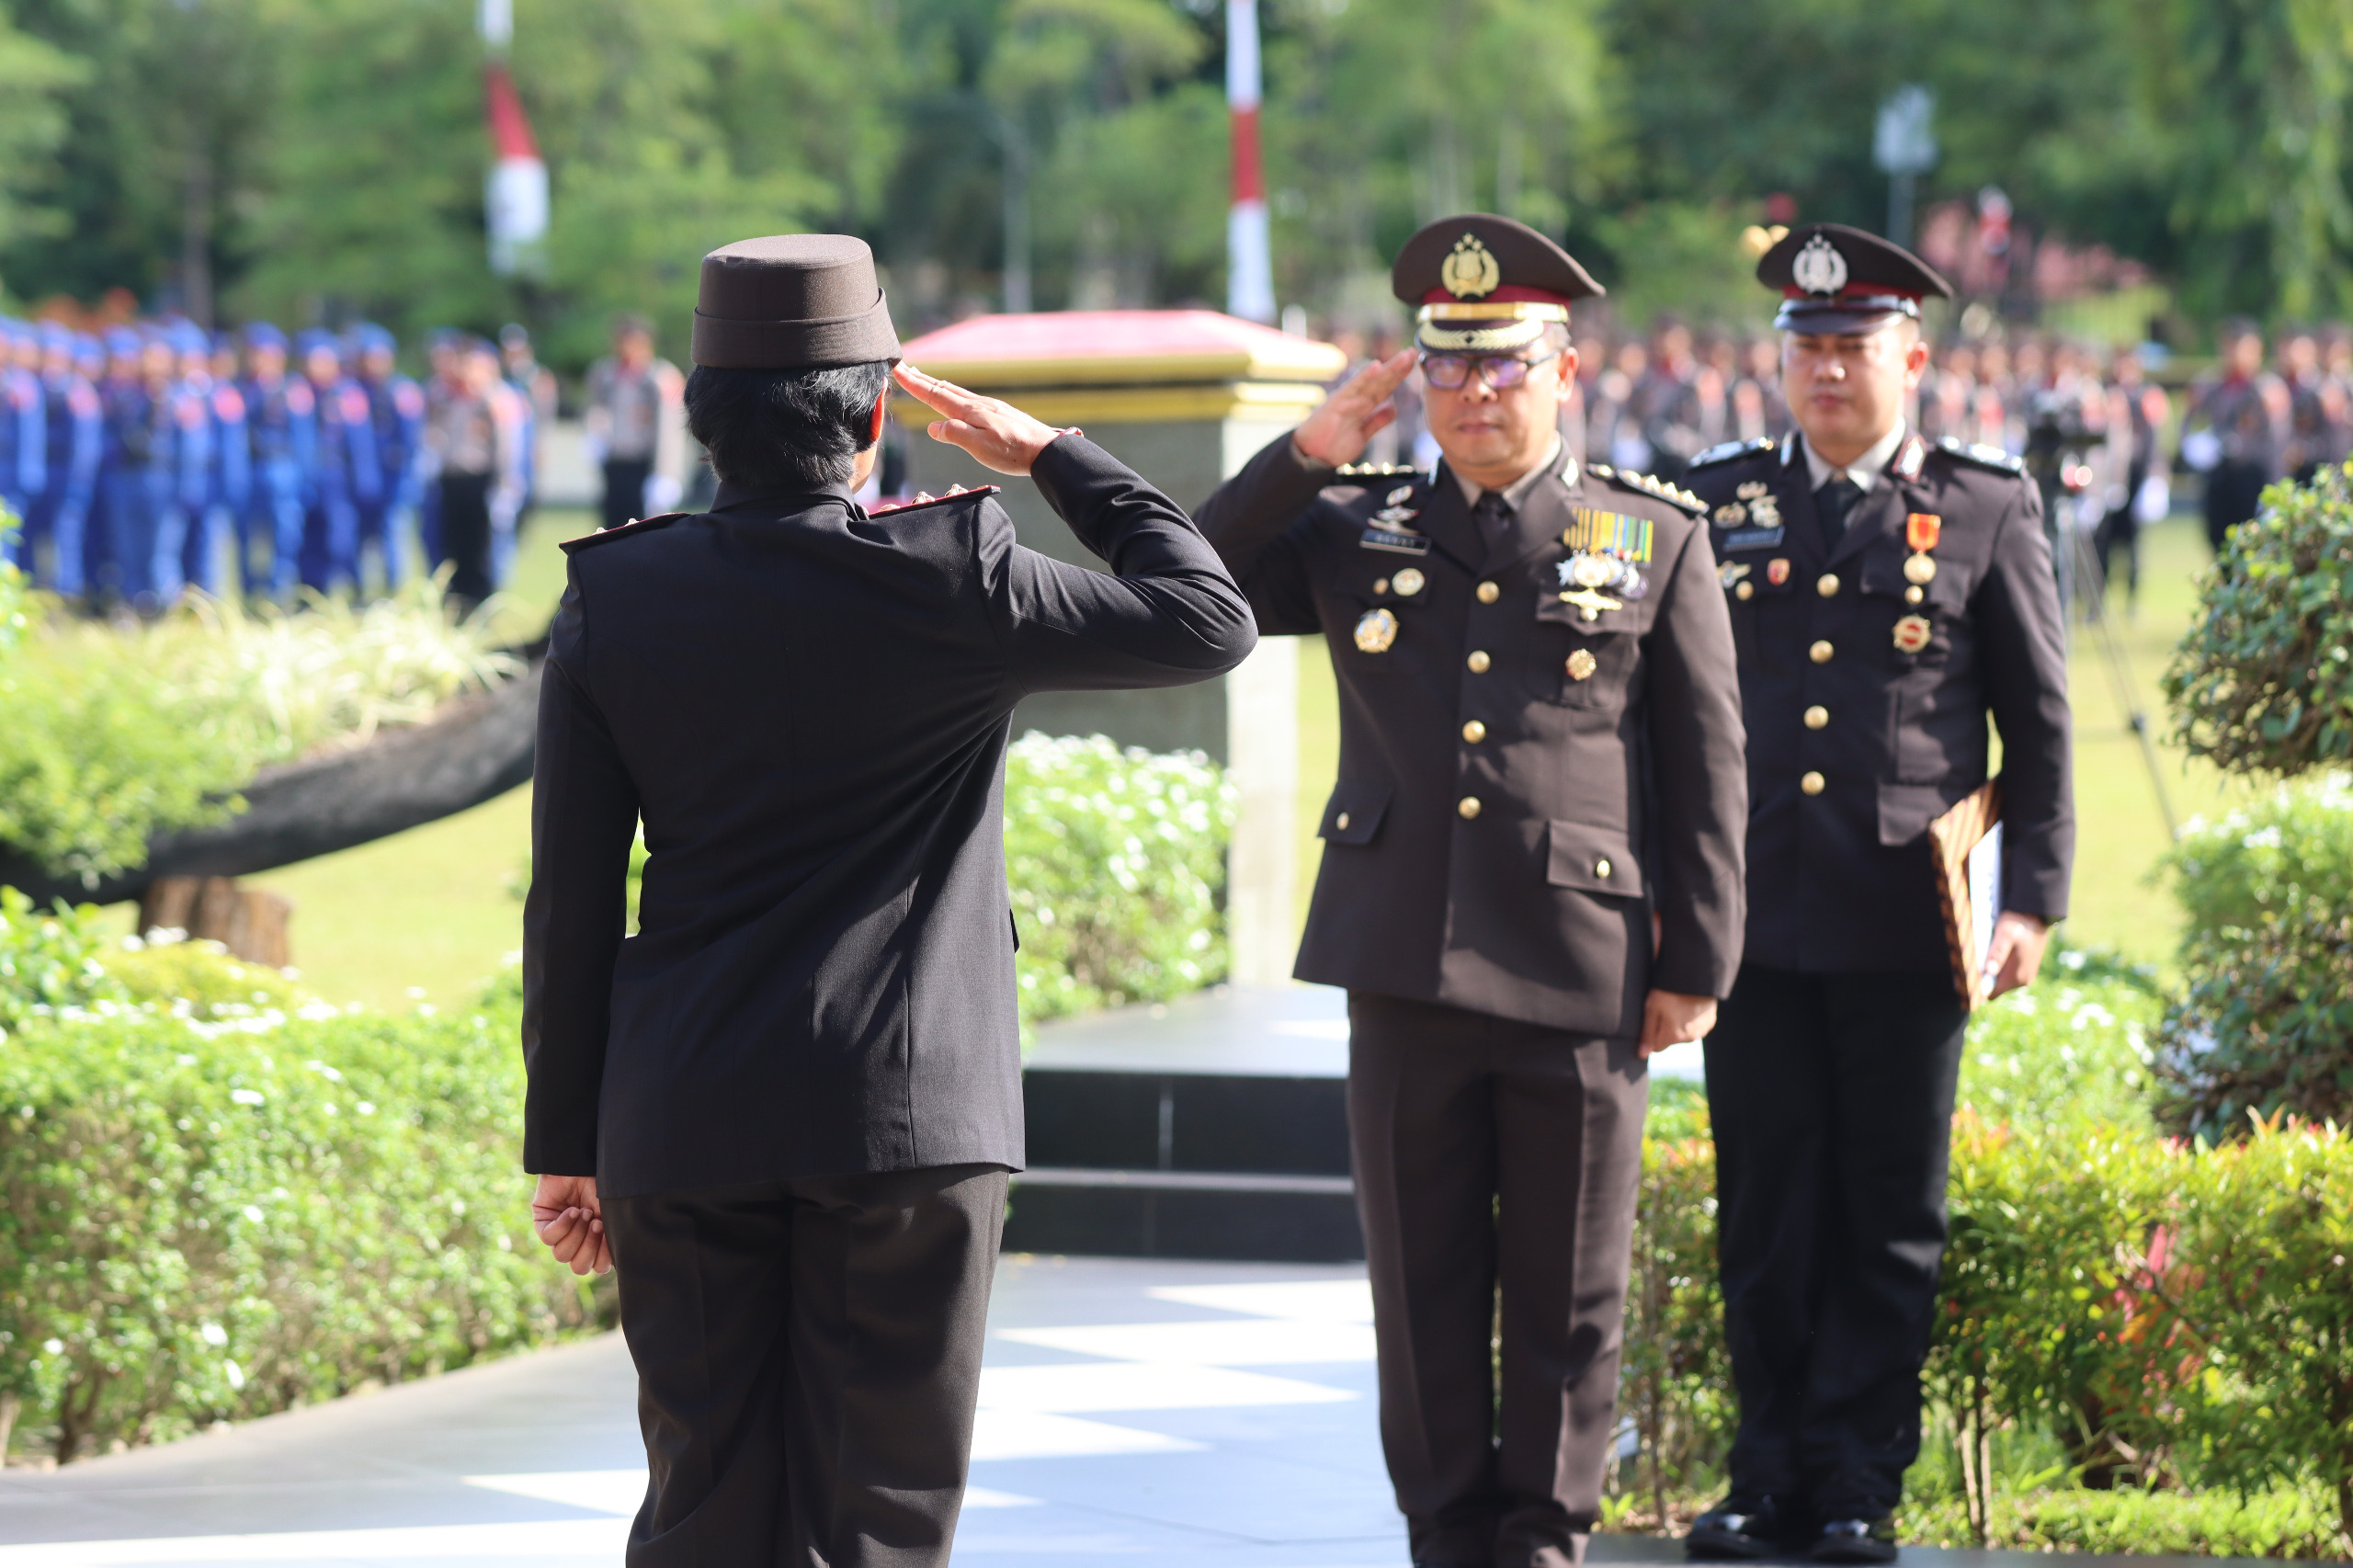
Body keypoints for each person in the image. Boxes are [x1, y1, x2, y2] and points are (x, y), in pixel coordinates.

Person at [520, 233, 1255, 1566]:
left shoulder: (614, 599)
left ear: (701, 419)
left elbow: (570, 901)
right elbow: (1209, 618)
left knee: (702, 1508)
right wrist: (1048, 457)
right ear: (872, 417)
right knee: (882, 1514)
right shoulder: (956, 574)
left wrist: (570, 1141)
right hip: (908, 1111)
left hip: (682, 1111)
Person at [1194, 213, 1748, 1568]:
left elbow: (1707, 758)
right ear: (1416, 380)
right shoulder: (1356, 523)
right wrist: (1305, 453)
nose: (1478, 393)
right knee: (1421, 1289)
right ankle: (1444, 1536)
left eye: (1506, 366)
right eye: (1450, 367)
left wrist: (1702, 961)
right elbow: (1194, 579)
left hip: (1579, 964)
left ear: (1565, 370)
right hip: (1403, 960)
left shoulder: (1651, 534)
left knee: (1570, 1293)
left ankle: (1545, 1539)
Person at [1680, 224, 2073, 1562]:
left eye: (1854, 350)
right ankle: (1763, 1472)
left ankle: (1856, 1482)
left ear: (1913, 356)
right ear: (1779, 364)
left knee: (1890, 1217)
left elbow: (2042, 724)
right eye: (1808, 351)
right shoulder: (1713, 503)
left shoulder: (1986, 506)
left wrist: (2032, 900)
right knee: (1766, 1208)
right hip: (1755, 924)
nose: (1829, 373)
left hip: (1909, 927)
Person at [422, 337, 512, 612]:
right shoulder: (446, 397)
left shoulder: (492, 400)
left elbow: (506, 446)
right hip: (452, 478)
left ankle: (480, 600)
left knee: (479, 547)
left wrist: (505, 486)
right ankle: (456, 599)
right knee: (453, 543)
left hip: (479, 478)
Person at [2183, 321, 2284, 553]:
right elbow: (2192, 426)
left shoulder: (2267, 388)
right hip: (2219, 477)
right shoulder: (2209, 386)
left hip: (2254, 477)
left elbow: (2278, 443)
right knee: (2219, 543)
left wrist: (2275, 487)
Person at [296, 330, 382, 596]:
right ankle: (312, 593)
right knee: (308, 539)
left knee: (342, 539)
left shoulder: (348, 394)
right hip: (309, 478)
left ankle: (355, 593)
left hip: (339, 479)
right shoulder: (299, 393)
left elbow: (360, 444)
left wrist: (365, 480)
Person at [583, 313, 685, 532]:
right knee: (610, 528)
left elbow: (670, 430)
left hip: (645, 464)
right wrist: (594, 440)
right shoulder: (606, 373)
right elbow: (595, 410)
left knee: (642, 531)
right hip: (616, 460)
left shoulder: (660, 377)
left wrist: (667, 473)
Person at [238, 323, 315, 601]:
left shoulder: (292, 390)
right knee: (248, 538)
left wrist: (306, 478)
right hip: (250, 470)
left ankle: (280, 595)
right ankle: (251, 594)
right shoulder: (241, 388)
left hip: (282, 469)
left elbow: (303, 440)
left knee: (284, 536)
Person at [25, 324, 101, 597]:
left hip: (67, 479)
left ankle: (66, 595)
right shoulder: (35, 387)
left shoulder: (77, 392)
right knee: (31, 540)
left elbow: (84, 448)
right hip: (40, 476)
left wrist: (75, 485)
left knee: (65, 541)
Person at [353, 324, 426, 594]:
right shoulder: (354, 390)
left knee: (394, 538)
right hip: (362, 481)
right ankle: (362, 595)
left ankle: (395, 596)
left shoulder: (402, 391)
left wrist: (406, 481)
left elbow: (411, 443)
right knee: (360, 541)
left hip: (395, 479)